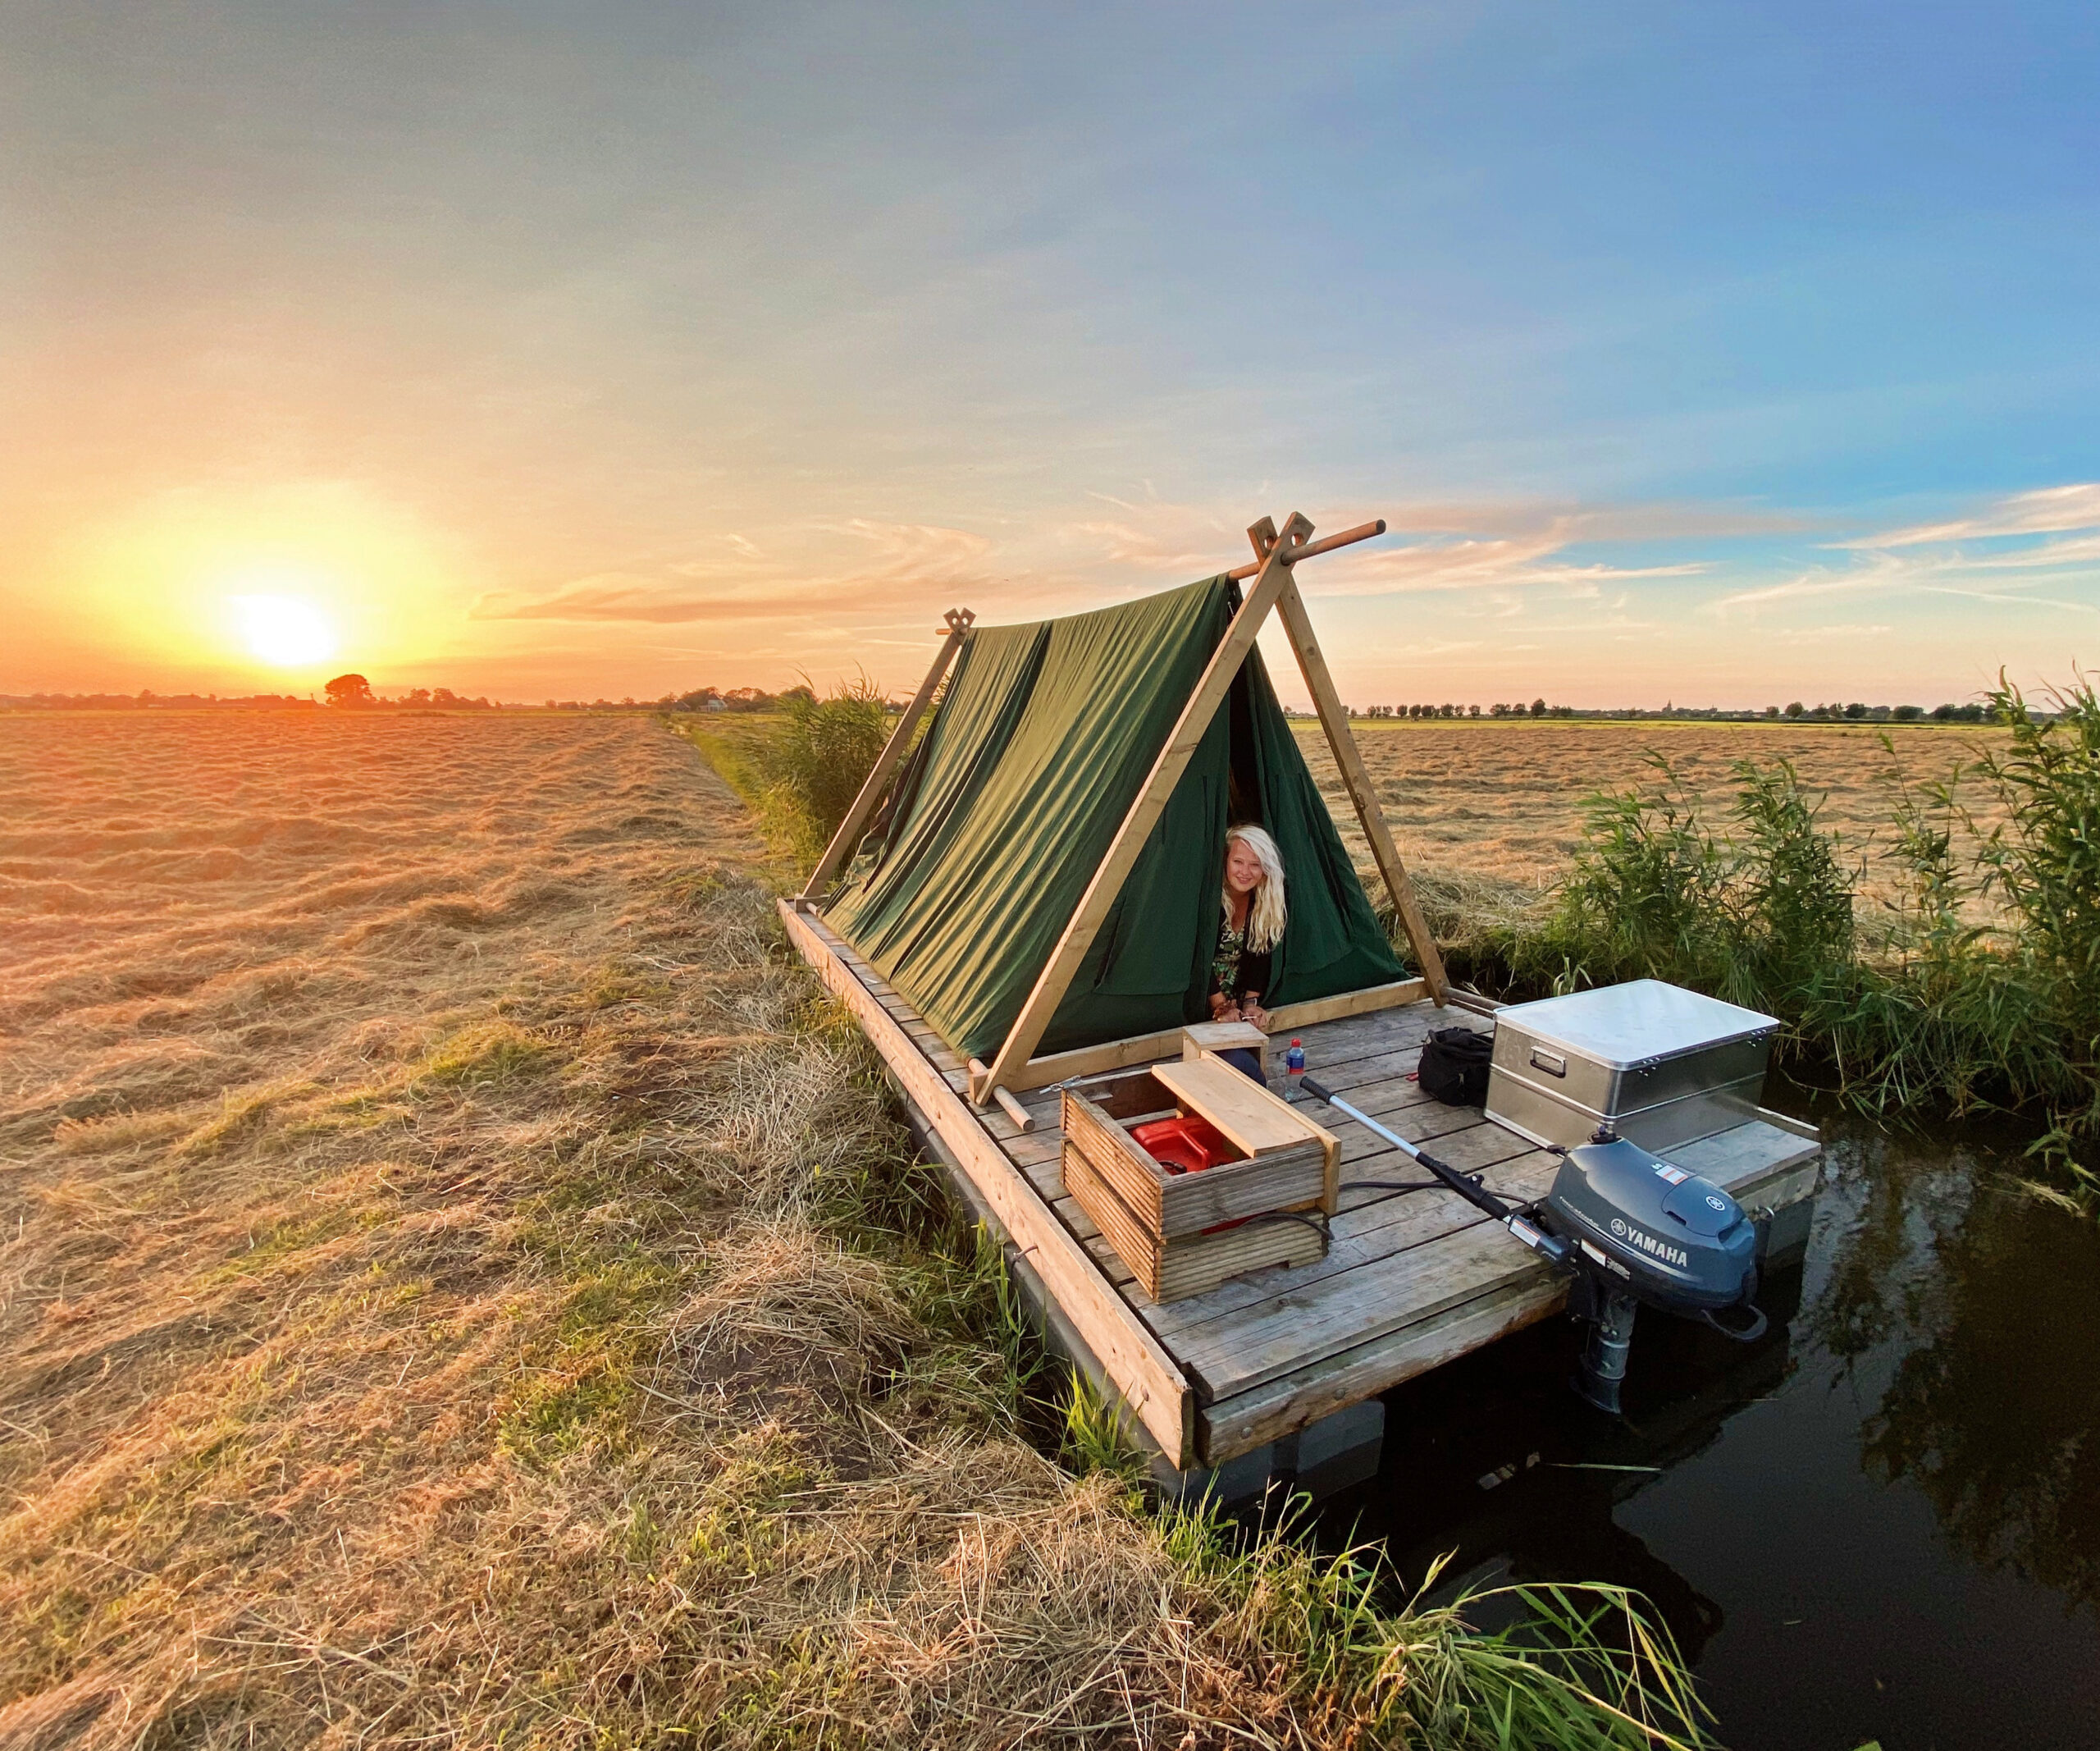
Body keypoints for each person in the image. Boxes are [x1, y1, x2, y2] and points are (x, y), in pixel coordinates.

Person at [1207, 823, 1285, 1086]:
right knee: (1244, 1070)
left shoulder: (1262, 902)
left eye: (1255, 864)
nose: (1245, 872)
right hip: (1203, 999)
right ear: (1225, 861)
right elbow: (1197, 960)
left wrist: (1250, 1004)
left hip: (1234, 1004)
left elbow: (1260, 952)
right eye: (1238, 861)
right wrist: (1220, 1006)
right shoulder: (1211, 899)